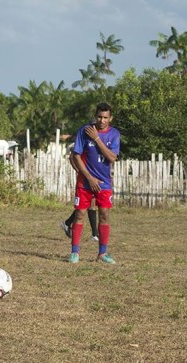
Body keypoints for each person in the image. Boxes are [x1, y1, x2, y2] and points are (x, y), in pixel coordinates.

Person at [67, 102, 120, 264]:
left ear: (110, 118)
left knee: (104, 215)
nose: (102, 120)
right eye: (99, 117)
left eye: (105, 117)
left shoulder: (114, 134)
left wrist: (97, 138)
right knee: (80, 214)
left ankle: (102, 254)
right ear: (95, 116)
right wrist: (89, 178)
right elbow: (75, 156)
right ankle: (75, 252)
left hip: (104, 183)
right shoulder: (84, 131)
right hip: (85, 182)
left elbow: (112, 158)